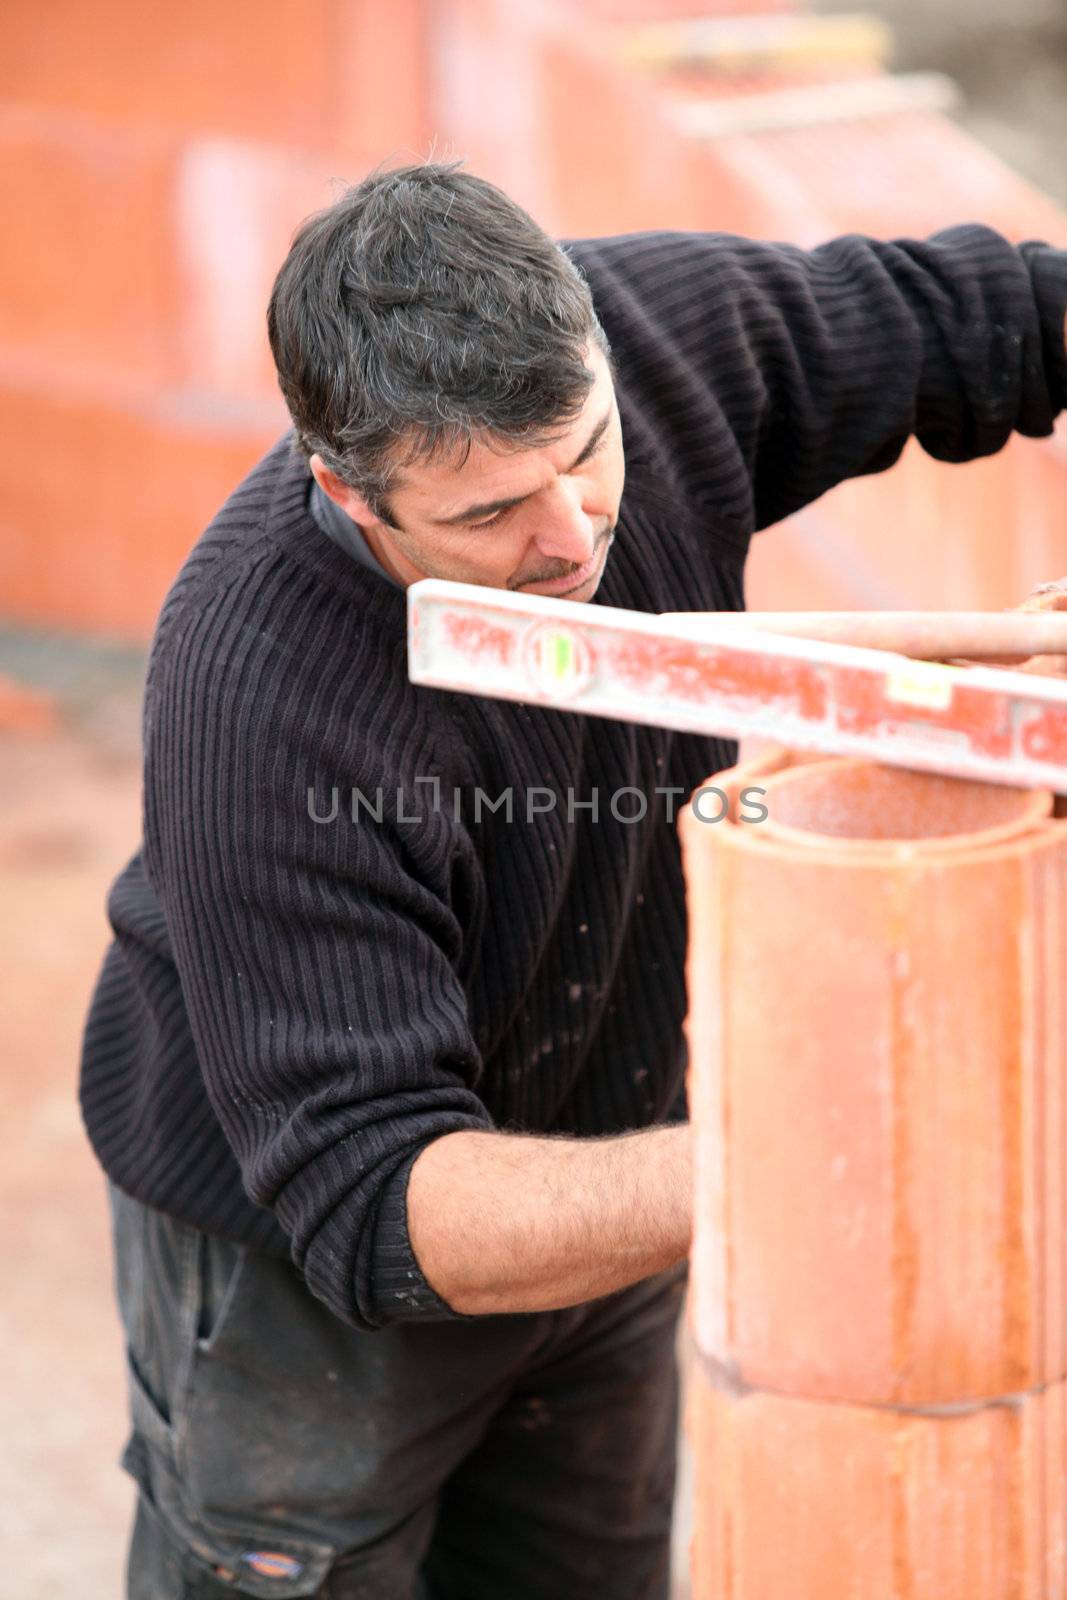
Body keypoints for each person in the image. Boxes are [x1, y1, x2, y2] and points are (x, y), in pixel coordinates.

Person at [80, 159, 1067, 1599]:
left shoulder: (656, 339)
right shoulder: (254, 696)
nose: (569, 538)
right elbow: (376, 1202)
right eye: (484, 517)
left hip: (621, 1179)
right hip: (308, 1280)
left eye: (585, 454)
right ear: (343, 489)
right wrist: (788, 1164)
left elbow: (992, 319)